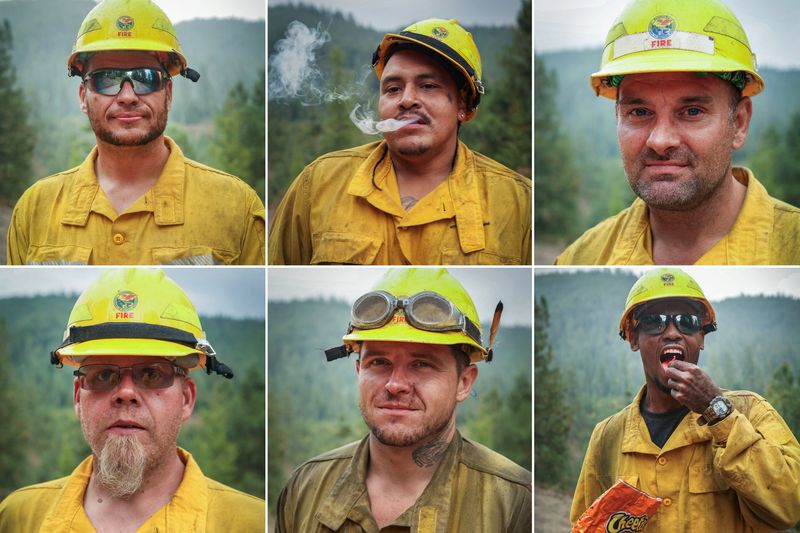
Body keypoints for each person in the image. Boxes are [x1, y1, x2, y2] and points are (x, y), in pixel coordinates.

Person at [0, 269, 265, 531]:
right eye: (103, 375)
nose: (126, 393)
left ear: (186, 399)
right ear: (78, 398)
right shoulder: (19, 518)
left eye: (151, 373)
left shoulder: (251, 523)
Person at [6, 0, 265, 265]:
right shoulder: (34, 209)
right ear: (84, 96)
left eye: (145, 78)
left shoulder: (236, 207)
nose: (127, 96)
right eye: (107, 79)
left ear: (169, 93)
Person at [276, 268, 531, 531]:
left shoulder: (514, 503)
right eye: (379, 362)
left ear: (464, 382)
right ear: (358, 371)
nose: (395, 384)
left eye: (422, 364)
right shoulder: (305, 488)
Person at [556, 0, 800, 265]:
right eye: (639, 112)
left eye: (692, 112)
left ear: (739, 123)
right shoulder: (583, 257)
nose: (660, 141)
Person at [268, 19, 531, 265]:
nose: (406, 99)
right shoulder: (318, 183)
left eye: (428, 85)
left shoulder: (518, 201)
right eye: (393, 89)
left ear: (463, 104)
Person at [570, 268, 800, 531]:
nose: (672, 333)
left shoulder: (751, 411)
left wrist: (716, 410)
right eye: (655, 321)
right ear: (634, 338)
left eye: (687, 321)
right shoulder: (607, 436)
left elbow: (789, 505)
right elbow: (586, 525)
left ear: (701, 337)